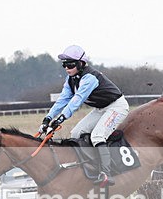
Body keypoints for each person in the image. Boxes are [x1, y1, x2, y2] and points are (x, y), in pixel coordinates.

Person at [41, 45, 130, 186]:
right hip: (100, 109)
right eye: (64, 65)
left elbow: (76, 101)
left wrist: (61, 119)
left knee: (97, 136)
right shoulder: (70, 79)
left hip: (116, 107)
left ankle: (107, 173)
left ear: (80, 64)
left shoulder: (89, 78)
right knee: (76, 133)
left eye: (70, 64)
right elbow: (62, 100)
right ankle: (89, 166)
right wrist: (48, 118)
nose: (66, 68)